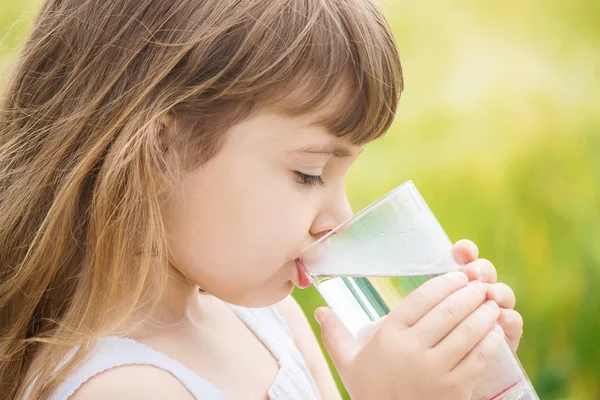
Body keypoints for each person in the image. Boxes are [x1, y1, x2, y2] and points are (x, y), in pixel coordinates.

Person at [0, 0, 524, 399]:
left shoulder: (268, 322)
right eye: (308, 173)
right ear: (159, 150)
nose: (338, 218)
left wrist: (461, 377)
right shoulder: (124, 387)